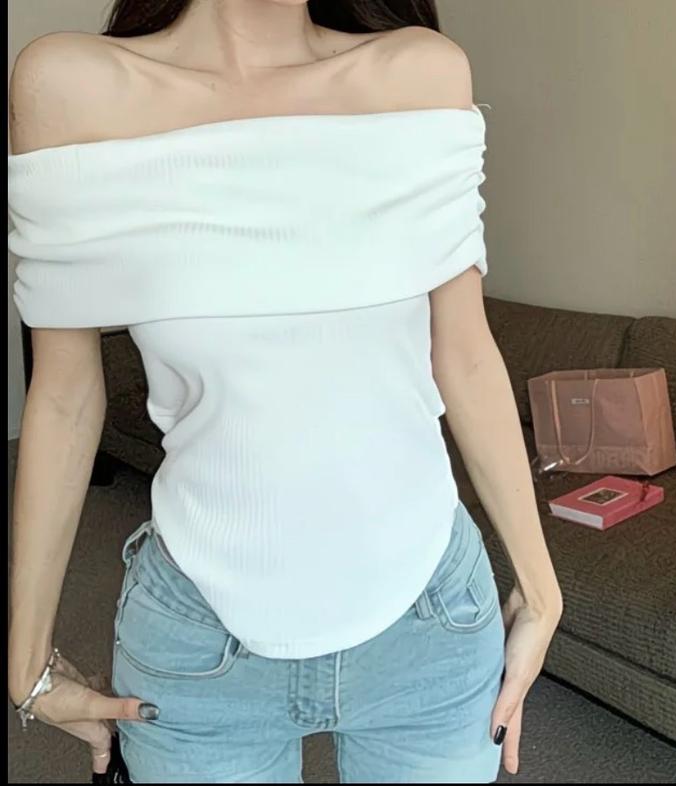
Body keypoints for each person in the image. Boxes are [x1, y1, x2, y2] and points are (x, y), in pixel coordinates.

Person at [7, 1, 562, 782]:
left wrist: (541, 590)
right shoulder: (72, 88)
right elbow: (65, 397)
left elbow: (465, 354)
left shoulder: (417, 75)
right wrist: (24, 663)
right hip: (199, 644)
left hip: (431, 626)